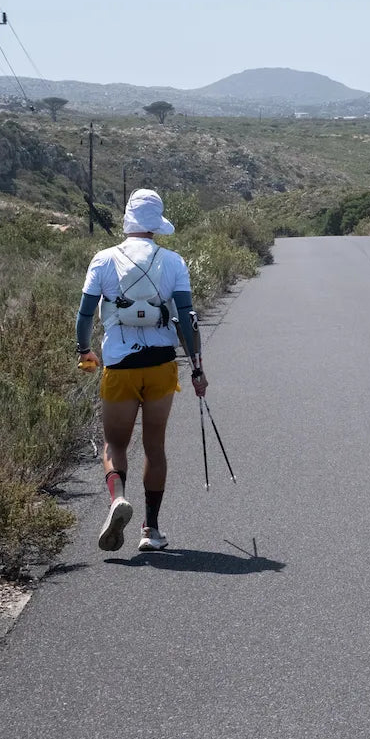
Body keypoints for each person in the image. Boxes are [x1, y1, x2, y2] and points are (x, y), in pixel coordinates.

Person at [75, 189, 208, 552]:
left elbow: (86, 314)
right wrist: (197, 369)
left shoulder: (103, 260)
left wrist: (85, 350)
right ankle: (151, 530)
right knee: (155, 446)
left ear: (129, 220)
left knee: (115, 443)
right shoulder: (174, 261)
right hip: (162, 366)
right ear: (156, 225)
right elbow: (187, 319)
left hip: (119, 366)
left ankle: (118, 499)